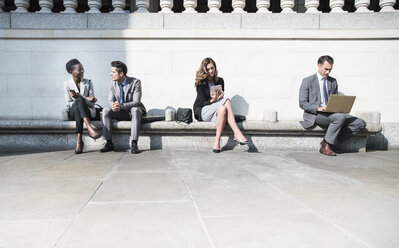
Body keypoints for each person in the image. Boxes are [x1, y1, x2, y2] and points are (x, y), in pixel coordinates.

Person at [299, 55, 366, 156]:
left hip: (333, 112)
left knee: (360, 123)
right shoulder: (307, 81)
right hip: (316, 114)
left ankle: (327, 141)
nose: (328, 72)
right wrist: (318, 108)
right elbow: (302, 103)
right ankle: (326, 147)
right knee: (339, 117)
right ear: (319, 65)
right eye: (326, 69)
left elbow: (334, 99)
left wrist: (341, 105)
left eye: (330, 70)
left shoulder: (333, 81)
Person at [193, 57, 248, 153]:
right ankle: (237, 133)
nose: (211, 71)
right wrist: (212, 100)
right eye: (208, 69)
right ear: (205, 70)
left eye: (212, 68)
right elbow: (202, 102)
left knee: (223, 109)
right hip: (202, 111)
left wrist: (219, 98)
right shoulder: (200, 83)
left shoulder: (220, 81)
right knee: (227, 100)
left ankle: (217, 142)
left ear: (215, 68)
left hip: (215, 110)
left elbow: (220, 102)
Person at [100, 61, 146, 154]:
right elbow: (110, 100)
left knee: (135, 109)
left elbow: (136, 102)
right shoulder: (112, 84)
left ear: (121, 74)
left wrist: (122, 106)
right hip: (120, 111)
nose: (110, 74)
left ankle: (134, 143)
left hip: (132, 112)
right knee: (105, 110)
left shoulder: (135, 82)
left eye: (113, 72)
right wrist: (113, 106)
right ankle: (108, 142)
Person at [64, 59, 102, 154]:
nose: (82, 72)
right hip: (73, 112)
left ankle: (79, 140)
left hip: (88, 111)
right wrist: (83, 99)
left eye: (83, 69)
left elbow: (92, 103)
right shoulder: (66, 84)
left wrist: (80, 98)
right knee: (78, 103)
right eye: (79, 70)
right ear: (71, 71)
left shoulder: (88, 82)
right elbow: (68, 104)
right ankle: (90, 129)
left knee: (79, 101)